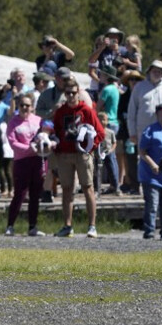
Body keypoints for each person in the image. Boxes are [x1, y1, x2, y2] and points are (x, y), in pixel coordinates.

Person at [51, 78, 104, 237]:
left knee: (88, 187)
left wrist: (90, 147)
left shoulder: (86, 110)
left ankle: (92, 226)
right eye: (67, 93)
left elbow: (100, 132)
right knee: (66, 189)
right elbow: (55, 132)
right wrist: (56, 146)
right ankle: (67, 225)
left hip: (83, 154)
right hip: (65, 154)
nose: (71, 96)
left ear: (78, 93)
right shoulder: (60, 112)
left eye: (73, 93)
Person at [4, 94, 48, 236]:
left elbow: (46, 136)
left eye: (27, 105)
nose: (24, 108)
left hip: (38, 160)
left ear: (32, 107)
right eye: (22, 105)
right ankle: (10, 225)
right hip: (22, 161)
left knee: (35, 194)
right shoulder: (13, 122)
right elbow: (12, 142)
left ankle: (32, 226)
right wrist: (28, 148)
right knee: (19, 194)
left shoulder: (39, 121)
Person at [127, 60, 162, 164]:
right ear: (149, 71)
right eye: (154, 70)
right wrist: (132, 132)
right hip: (143, 130)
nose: (156, 73)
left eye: (159, 71)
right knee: (143, 158)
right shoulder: (139, 87)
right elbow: (131, 111)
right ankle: (144, 180)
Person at [139, 104, 162, 239]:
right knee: (152, 205)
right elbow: (142, 151)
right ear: (157, 113)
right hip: (151, 175)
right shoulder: (150, 130)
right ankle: (149, 231)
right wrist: (152, 164)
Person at [95, 65, 121, 194]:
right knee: (112, 156)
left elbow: (98, 106)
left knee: (108, 155)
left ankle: (115, 185)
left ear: (107, 76)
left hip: (107, 122)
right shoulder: (115, 89)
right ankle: (114, 183)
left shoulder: (106, 90)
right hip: (114, 121)